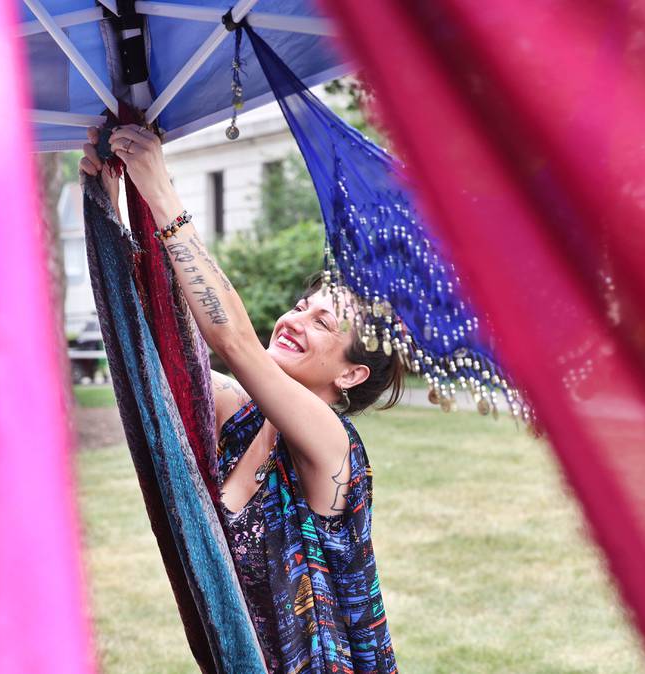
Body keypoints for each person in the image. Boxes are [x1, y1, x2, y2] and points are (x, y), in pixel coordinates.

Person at [80, 124, 402, 673]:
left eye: (322, 322)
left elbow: (233, 340)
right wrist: (112, 205)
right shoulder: (243, 415)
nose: (295, 320)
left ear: (351, 376)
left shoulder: (333, 447)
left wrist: (160, 189)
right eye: (301, 306)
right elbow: (167, 357)